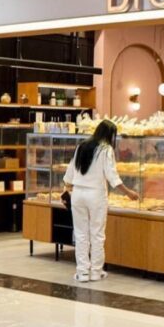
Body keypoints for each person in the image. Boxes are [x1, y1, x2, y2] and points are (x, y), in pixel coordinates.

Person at [63, 119, 139, 283]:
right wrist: (128, 192)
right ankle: (96, 272)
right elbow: (112, 176)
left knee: (81, 234)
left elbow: (70, 173)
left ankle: (82, 273)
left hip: (78, 194)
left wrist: (67, 188)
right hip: (96, 195)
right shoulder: (106, 149)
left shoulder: (81, 146)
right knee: (97, 234)